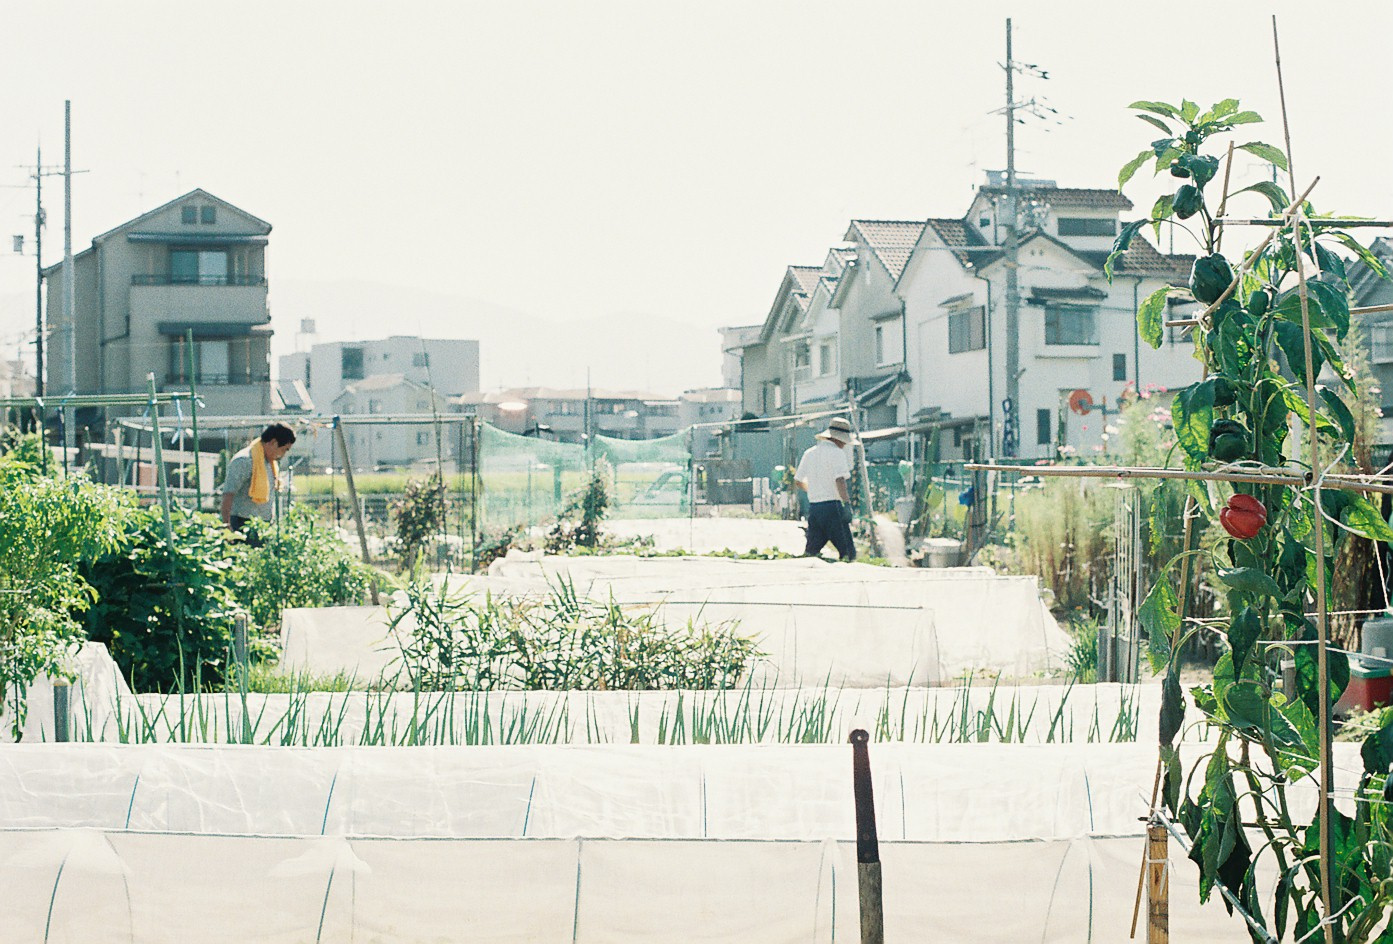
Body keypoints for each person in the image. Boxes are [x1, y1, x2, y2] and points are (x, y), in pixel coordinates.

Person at [220, 423, 296, 547]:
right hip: (241, 524)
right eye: (284, 449)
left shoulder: (269, 463)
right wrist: (226, 527)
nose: (283, 454)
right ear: (273, 442)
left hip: (263, 526)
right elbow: (228, 494)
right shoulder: (245, 460)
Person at [794, 416, 857, 561]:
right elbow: (840, 480)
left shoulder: (809, 453)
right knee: (848, 553)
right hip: (832, 508)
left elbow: (798, 481)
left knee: (811, 553)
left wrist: (815, 491)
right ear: (839, 439)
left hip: (815, 509)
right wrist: (846, 503)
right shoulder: (837, 453)